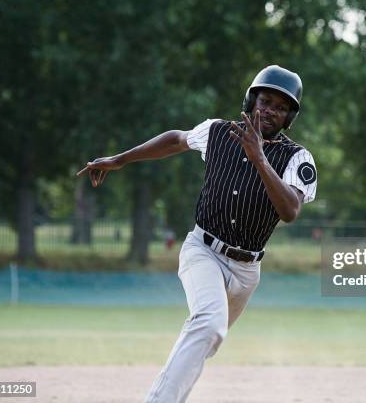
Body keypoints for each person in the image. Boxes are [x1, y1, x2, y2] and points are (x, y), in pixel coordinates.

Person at [77, 65, 317, 402]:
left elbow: (290, 211)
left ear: (289, 116)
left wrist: (260, 160)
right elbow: (176, 139)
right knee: (207, 325)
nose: (270, 111)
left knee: (205, 338)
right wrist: (119, 160)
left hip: (247, 271)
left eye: (281, 107)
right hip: (202, 251)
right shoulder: (218, 132)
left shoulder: (296, 157)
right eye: (265, 101)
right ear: (251, 101)